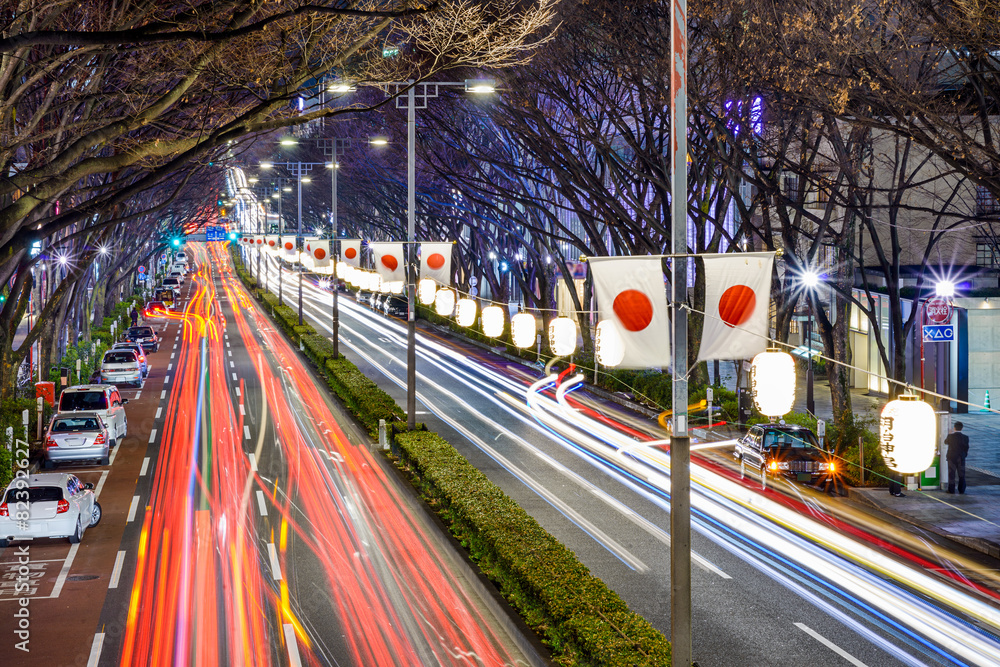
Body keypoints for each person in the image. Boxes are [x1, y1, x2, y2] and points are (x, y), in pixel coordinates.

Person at [945, 421, 970, 494]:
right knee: (961, 474)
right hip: (961, 458)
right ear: (962, 428)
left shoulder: (950, 436)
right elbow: (966, 448)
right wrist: (964, 455)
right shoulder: (965, 437)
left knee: (951, 474)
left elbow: (945, 442)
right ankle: (961, 489)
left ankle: (951, 489)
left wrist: (949, 434)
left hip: (952, 457)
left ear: (954, 428)